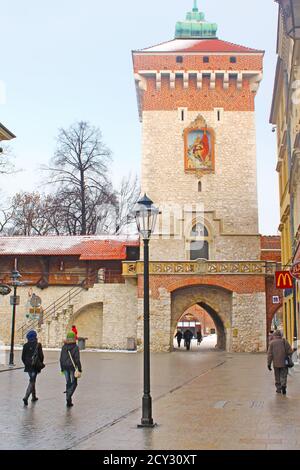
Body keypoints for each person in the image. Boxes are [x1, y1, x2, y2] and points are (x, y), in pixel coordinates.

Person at [21, 330, 45, 406]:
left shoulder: (25, 345)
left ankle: (34, 396)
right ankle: (26, 396)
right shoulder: (38, 345)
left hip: (28, 366)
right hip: (35, 365)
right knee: (32, 381)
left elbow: (23, 357)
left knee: (32, 380)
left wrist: (26, 363)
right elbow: (41, 356)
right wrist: (39, 363)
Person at [60, 331, 82, 407]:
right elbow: (77, 359)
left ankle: (69, 401)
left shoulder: (64, 347)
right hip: (72, 368)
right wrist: (79, 369)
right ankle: (69, 396)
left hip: (65, 367)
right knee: (74, 383)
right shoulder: (75, 347)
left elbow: (61, 359)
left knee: (68, 382)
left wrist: (62, 368)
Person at [267, 330, 293, 395]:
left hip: (276, 363)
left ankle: (278, 389)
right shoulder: (285, 342)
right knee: (284, 375)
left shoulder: (272, 343)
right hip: (284, 362)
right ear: (281, 335)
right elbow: (290, 351)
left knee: (277, 376)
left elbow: (270, 355)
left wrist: (269, 364)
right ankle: (283, 385)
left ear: (274, 335)